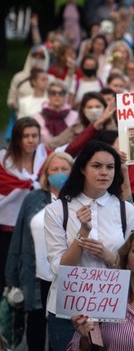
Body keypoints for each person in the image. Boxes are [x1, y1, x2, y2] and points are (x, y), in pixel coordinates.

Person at [44, 141, 134, 351]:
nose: (104, 172)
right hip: (68, 314)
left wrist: (109, 256)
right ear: (82, 168)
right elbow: (58, 269)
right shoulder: (57, 210)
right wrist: (82, 233)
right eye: (96, 166)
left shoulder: (127, 211)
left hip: (114, 311)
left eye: (110, 167)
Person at [5, 152, 73, 351]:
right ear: (46, 173)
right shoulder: (32, 199)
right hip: (35, 276)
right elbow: (18, 238)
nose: (60, 173)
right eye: (55, 169)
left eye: (64, 169)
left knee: (60, 331)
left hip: (66, 277)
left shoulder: (80, 200)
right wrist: (11, 280)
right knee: (34, 326)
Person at [0, 117, 48, 293]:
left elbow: (71, 148)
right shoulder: (3, 162)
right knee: (6, 272)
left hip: (37, 227)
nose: (30, 140)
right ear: (17, 138)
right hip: (8, 228)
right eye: (25, 136)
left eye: (34, 135)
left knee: (32, 274)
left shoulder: (46, 158)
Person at [33, 80, 79, 149]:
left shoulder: (76, 116)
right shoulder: (37, 117)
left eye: (61, 93)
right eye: (53, 93)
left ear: (65, 96)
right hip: (45, 156)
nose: (57, 95)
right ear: (48, 95)